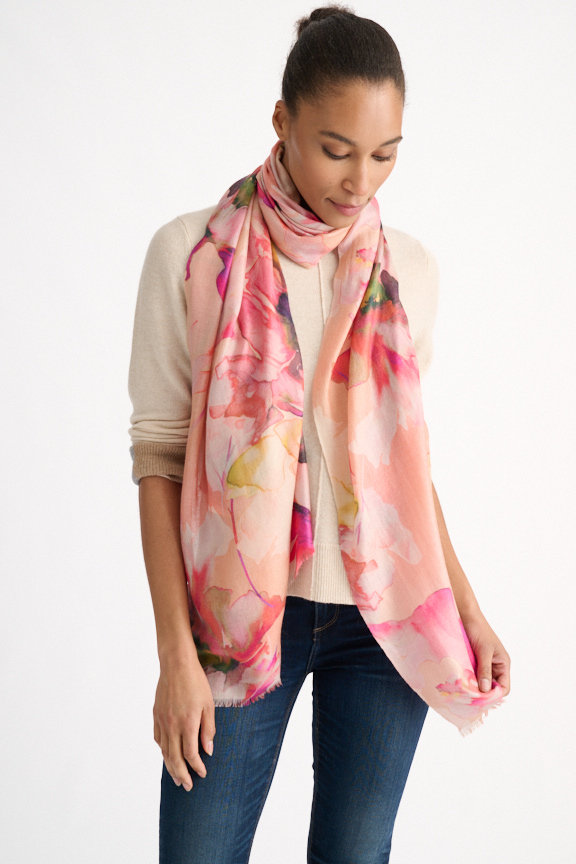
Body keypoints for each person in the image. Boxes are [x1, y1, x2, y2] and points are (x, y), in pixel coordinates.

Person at [127, 6, 511, 863]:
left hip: (387, 623)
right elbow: (157, 461)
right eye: (337, 149)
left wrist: (468, 609)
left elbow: (402, 470)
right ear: (283, 121)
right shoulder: (191, 253)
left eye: (385, 154)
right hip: (234, 622)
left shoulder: (408, 269)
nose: (359, 180)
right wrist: (175, 654)